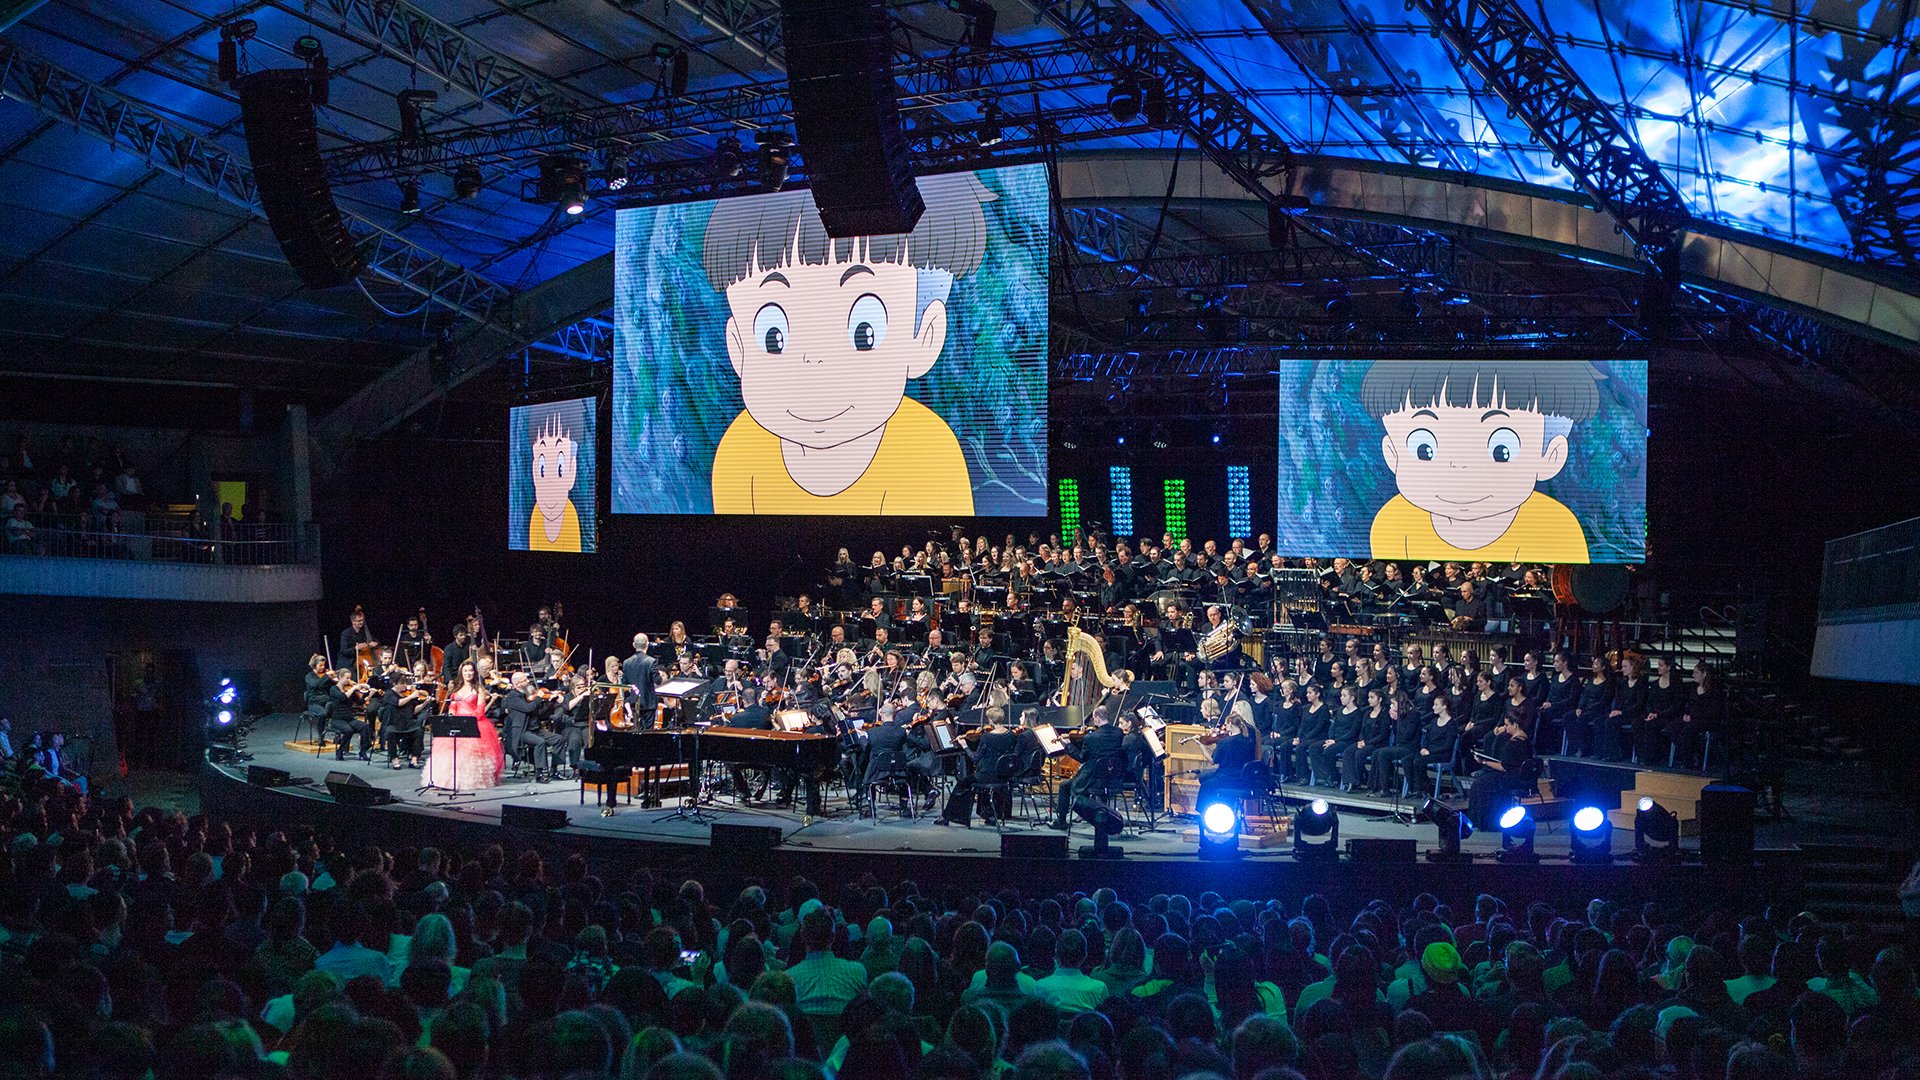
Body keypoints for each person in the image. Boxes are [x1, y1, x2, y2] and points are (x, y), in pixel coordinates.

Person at [703, 173, 993, 514]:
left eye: (865, 331)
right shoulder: (741, 451)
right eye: (773, 336)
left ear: (924, 337)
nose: (814, 363)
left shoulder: (927, 453)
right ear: (738, 349)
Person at [1360, 358, 1598, 561]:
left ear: (1550, 456)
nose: (1459, 468)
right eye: (1424, 449)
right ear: (1393, 455)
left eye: (1502, 449)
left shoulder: (1555, 529)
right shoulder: (1392, 524)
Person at [426, 660, 501, 790]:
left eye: (470, 671)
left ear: (474, 672)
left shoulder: (479, 689)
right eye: (465, 671)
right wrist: (451, 714)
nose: (468, 673)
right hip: (456, 722)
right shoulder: (456, 689)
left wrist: (467, 720)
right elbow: (453, 706)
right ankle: (445, 781)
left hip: (472, 722)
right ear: (461, 672)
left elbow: (480, 710)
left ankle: (466, 781)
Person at [1049, 706, 1127, 831]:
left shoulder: (1091, 738)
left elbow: (1081, 758)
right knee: (1082, 783)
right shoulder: (1118, 733)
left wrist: (1068, 745)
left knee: (1064, 786)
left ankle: (1062, 821)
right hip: (1111, 776)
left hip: (1092, 778)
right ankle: (1088, 811)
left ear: (1096, 718)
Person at [524, 407, 583, 552]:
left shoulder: (570, 518)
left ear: (572, 470)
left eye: (560, 468)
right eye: (542, 468)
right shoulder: (536, 515)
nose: (550, 481)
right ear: (534, 472)